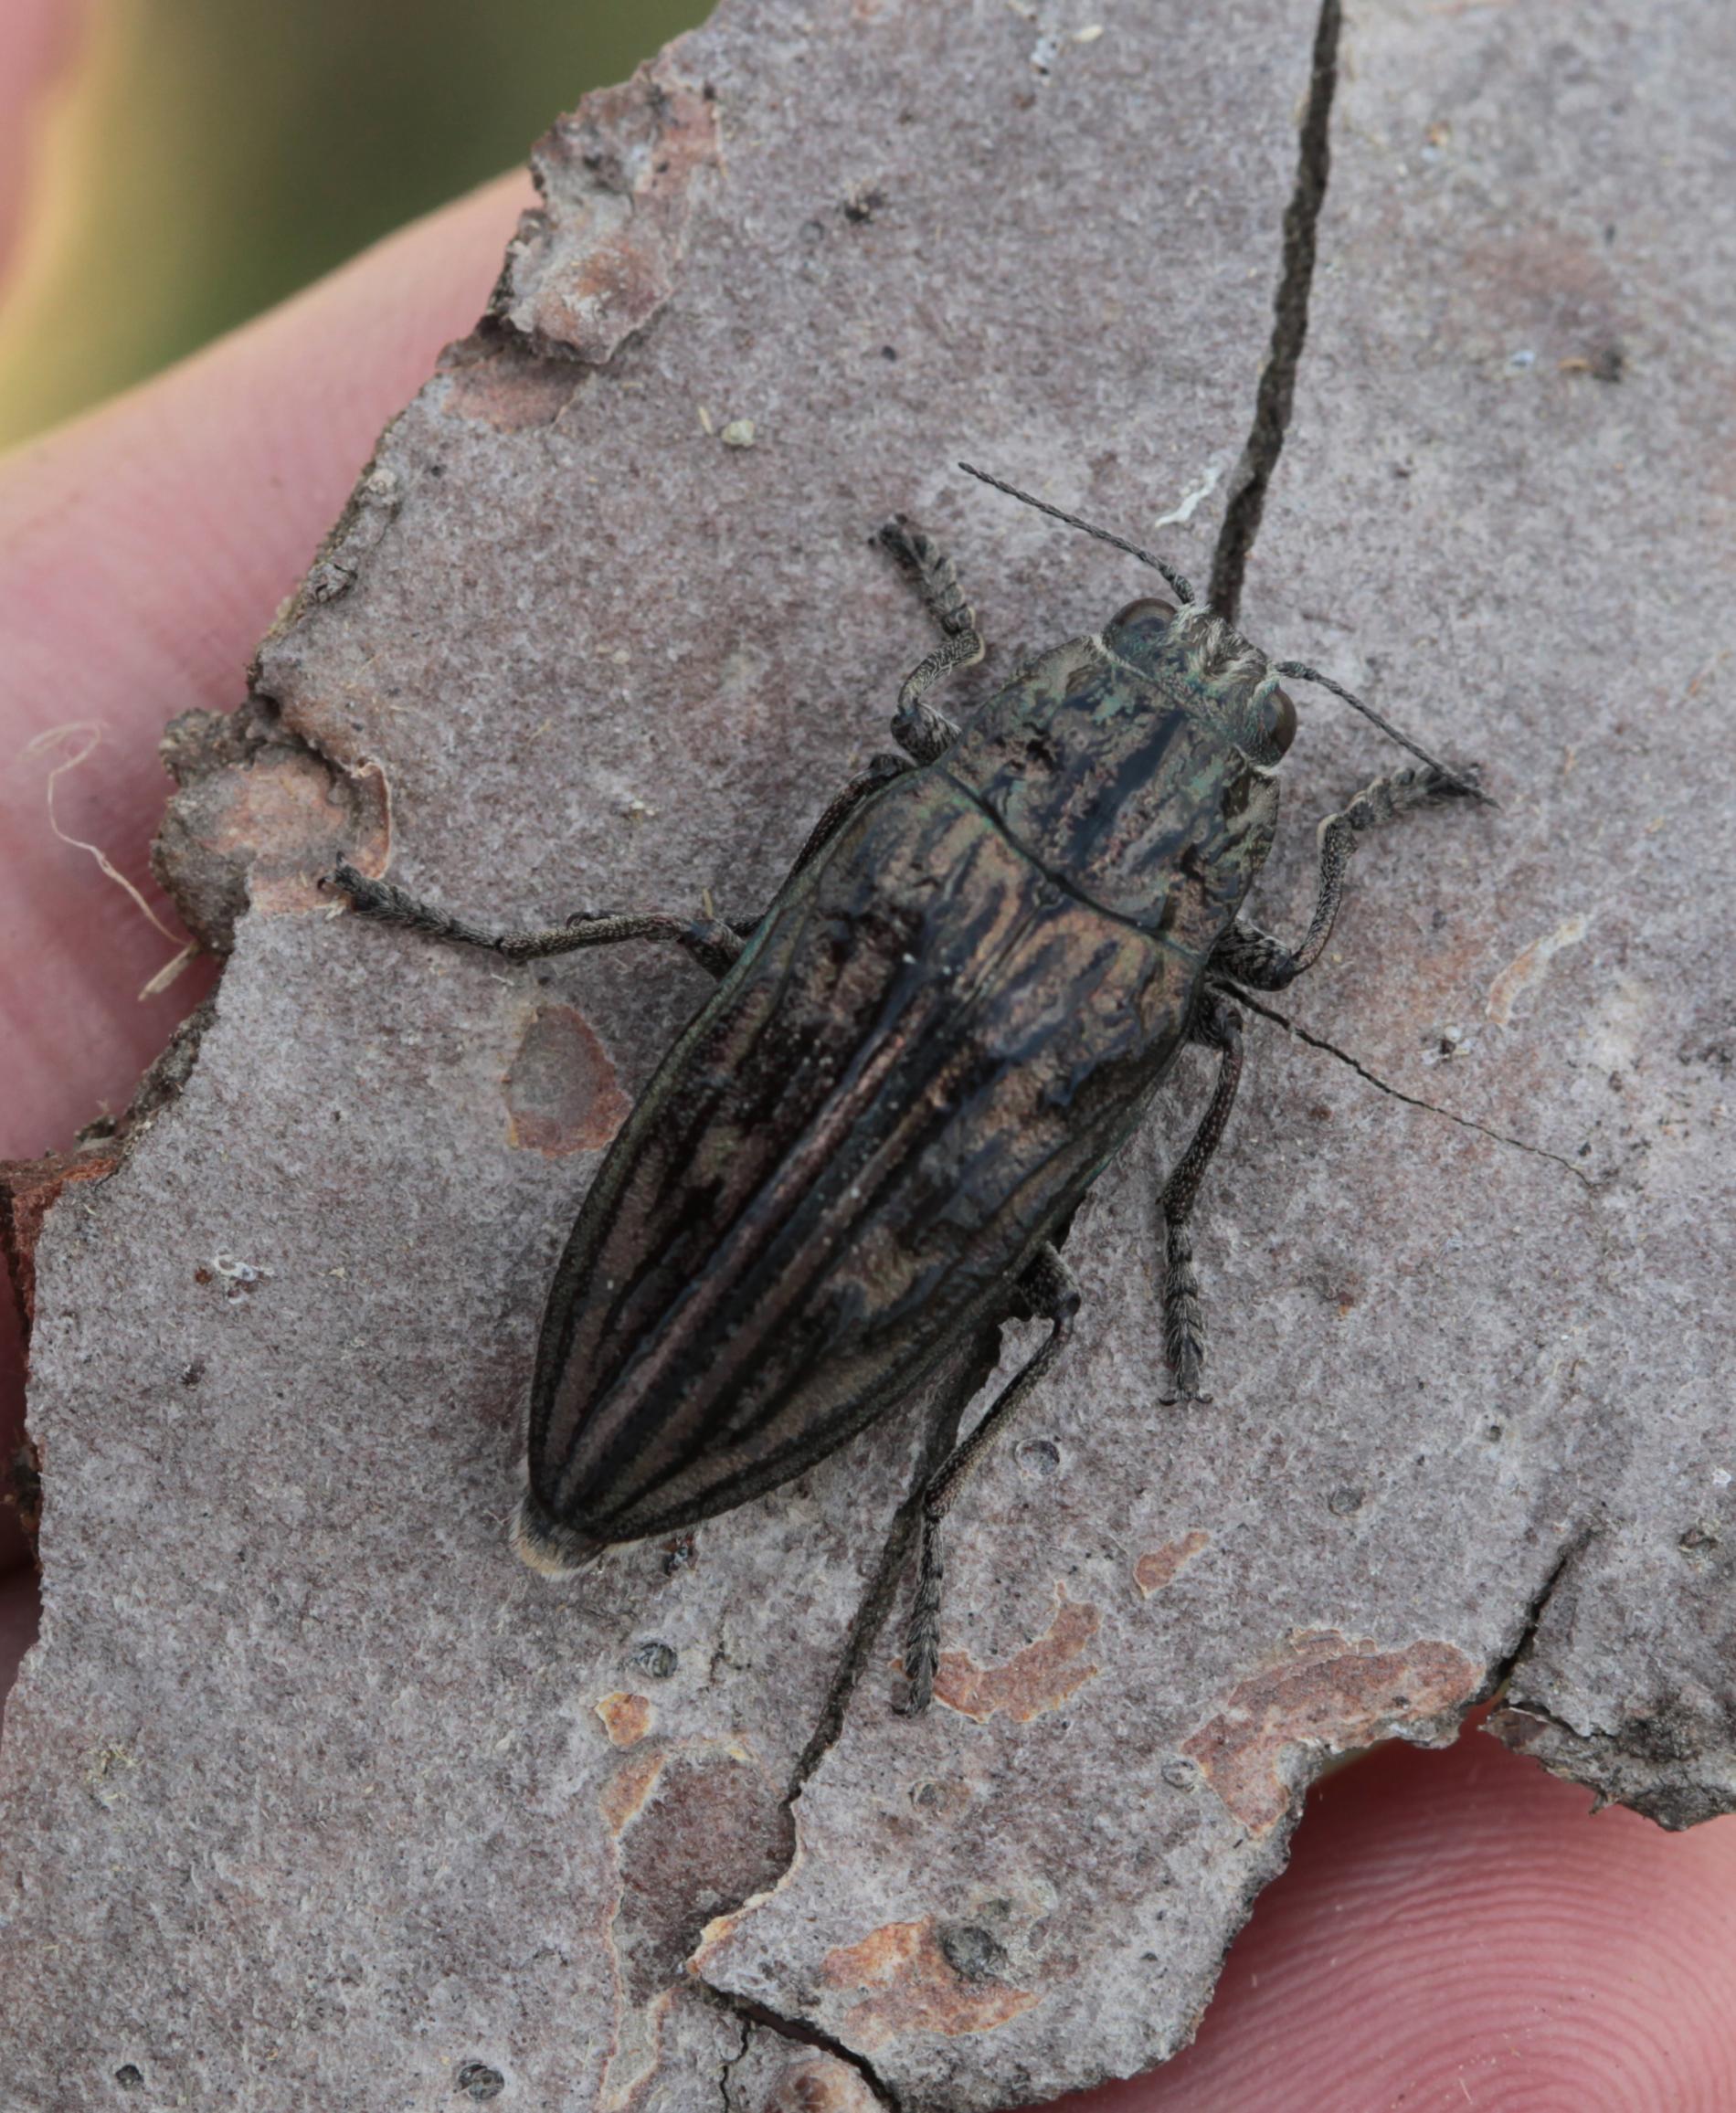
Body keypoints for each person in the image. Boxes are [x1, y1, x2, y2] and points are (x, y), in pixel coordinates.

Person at [1, 160, 1731, 2113]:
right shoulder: (1170, 963)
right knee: (1026, 1287)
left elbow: (906, 779)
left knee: (753, 1001)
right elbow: (1236, 999)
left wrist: (976, 655)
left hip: (720, 1256)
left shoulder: (945, 812)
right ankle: (909, 1515)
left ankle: (902, 1511)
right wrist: (1337, 829)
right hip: (791, 1298)